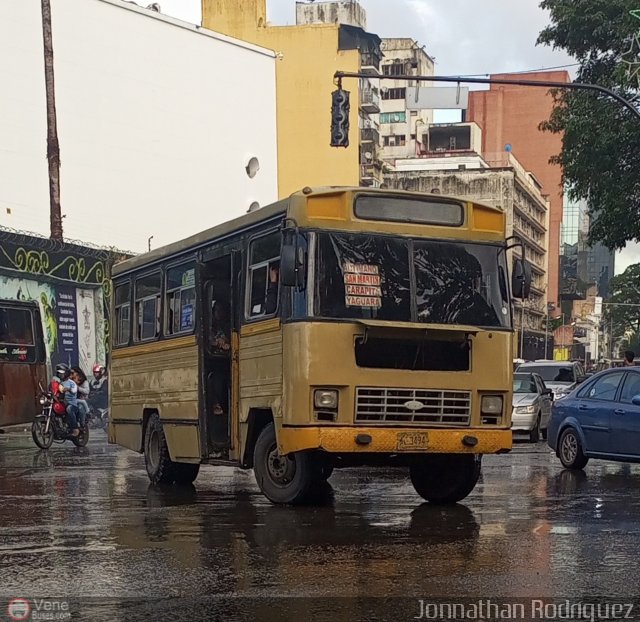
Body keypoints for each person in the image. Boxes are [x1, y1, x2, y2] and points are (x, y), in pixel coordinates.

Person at [55, 363, 80, 437]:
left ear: (66, 373)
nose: (60, 375)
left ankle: (75, 428)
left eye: (62, 373)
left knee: (69, 409)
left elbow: (75, 390)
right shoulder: (59, 383)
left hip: (71, 404)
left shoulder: (71, 382)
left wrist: (68, 389)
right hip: (62, 403)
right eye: (59, 373)